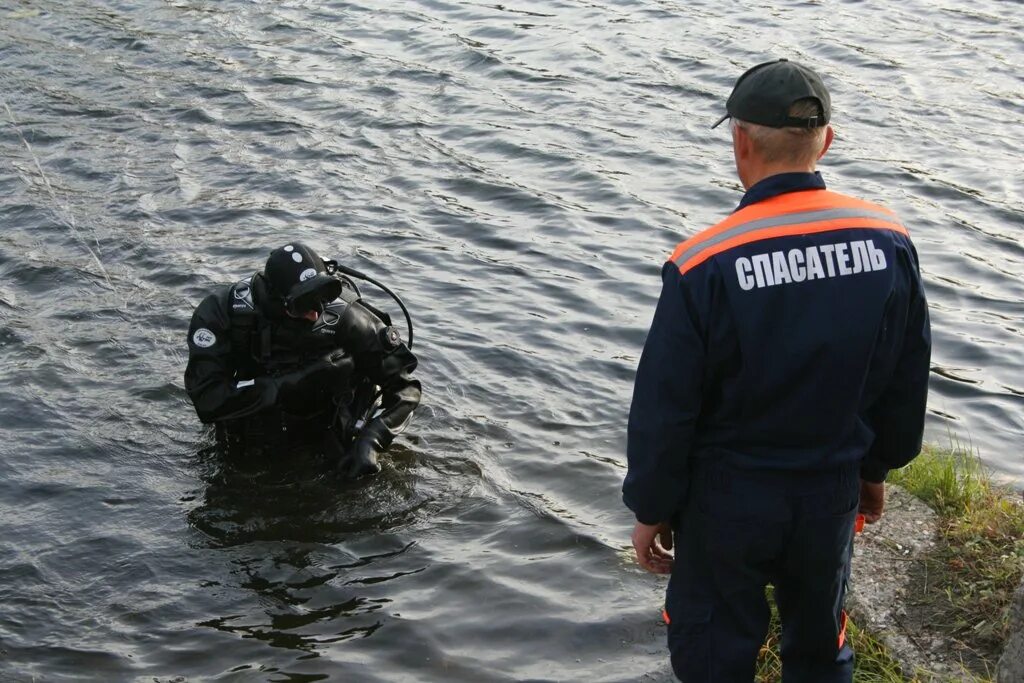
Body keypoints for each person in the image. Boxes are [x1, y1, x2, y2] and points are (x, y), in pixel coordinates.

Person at [622, 59, 931, 682]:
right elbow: (903, 377)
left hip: (726, 500)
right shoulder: (888, 239)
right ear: (828, 141)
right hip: (830, 490)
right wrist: (874, 473)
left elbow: (667, 405)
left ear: (739, 140)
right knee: (820, 644)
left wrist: (650, 508)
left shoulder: (702, 262)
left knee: (712, 651)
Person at [185, 242, 421, 478]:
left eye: (324, 296)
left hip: (326, 426)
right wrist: (291, 381)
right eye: (302, 304)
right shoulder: (223, 313)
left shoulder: (346, 317)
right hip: (248, 427)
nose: (315, 313)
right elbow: (207, 400)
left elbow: (405, 390)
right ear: (276, 300)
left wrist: (372, 441)